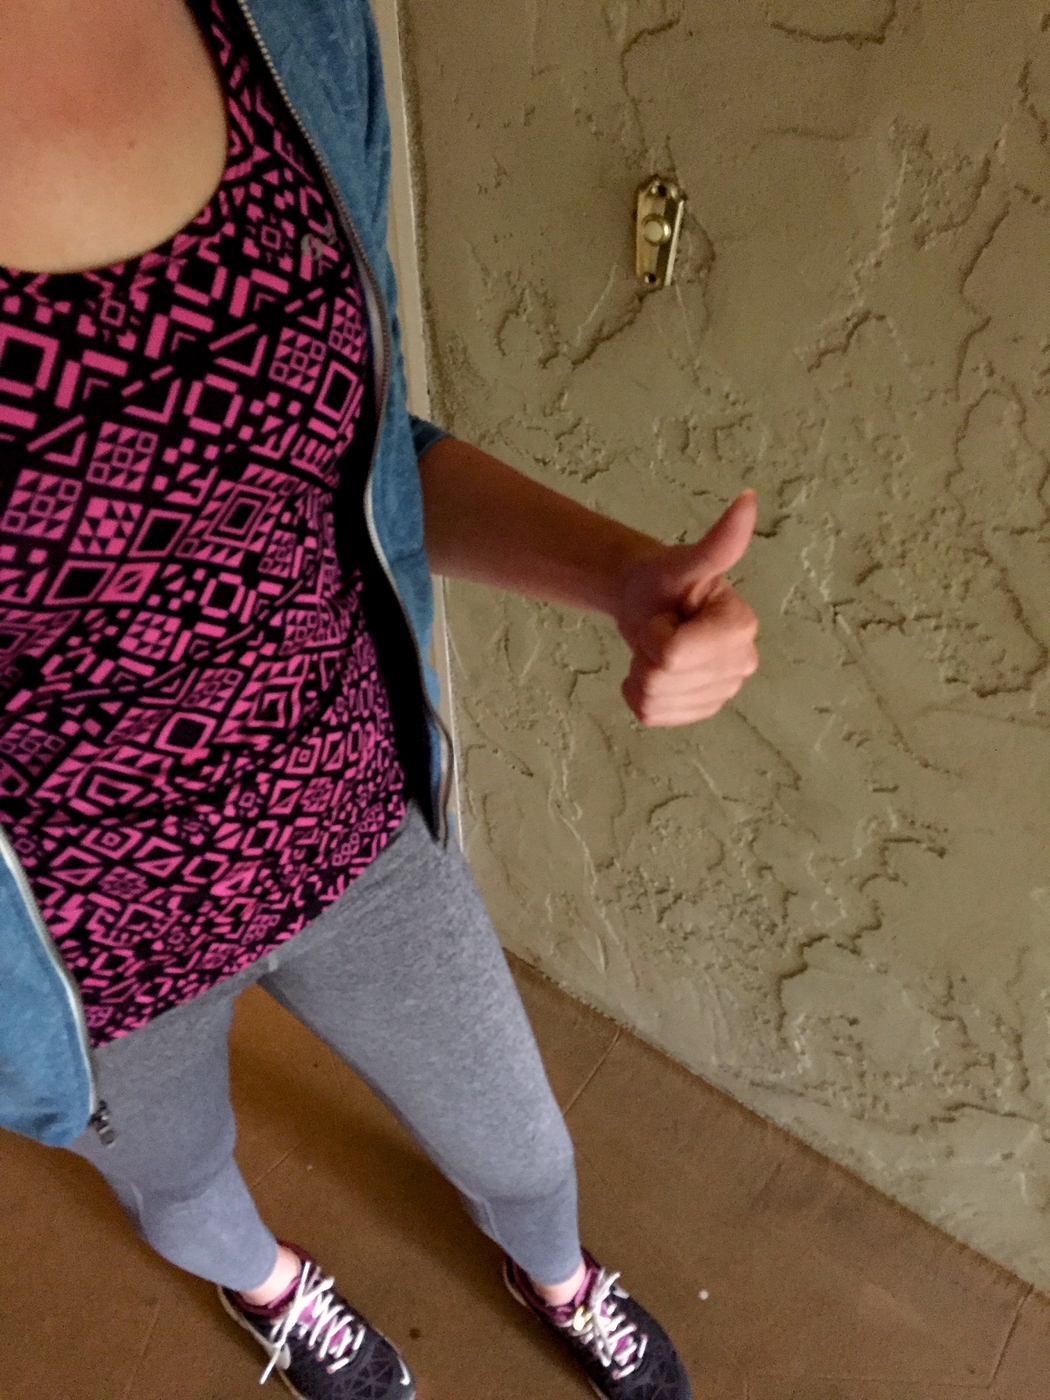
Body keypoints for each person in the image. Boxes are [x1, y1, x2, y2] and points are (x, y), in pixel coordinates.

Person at [0, 0, 759, 1397]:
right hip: (73, 944)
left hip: (342, 808)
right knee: (184, 1190)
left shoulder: (288, 23)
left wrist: (624, 577)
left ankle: (558, 1279)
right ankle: (274, 1291)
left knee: (523, 1144)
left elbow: (345, 442)